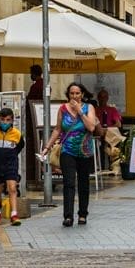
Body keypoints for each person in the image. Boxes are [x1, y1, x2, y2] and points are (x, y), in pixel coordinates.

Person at [43, 81, 99, 226]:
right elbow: (58, 129)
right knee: (68, 183)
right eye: (72, 93)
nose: (74, 96)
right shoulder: (63, 109)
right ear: (68, 95)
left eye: (77, 93)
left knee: (83, 183)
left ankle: (82, 214)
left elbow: (91, 127)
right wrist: (47, 147)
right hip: (67, 150)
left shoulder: (88, 108)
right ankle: (68, 216)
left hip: (85, 151)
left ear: (82, 94)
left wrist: (80, 111)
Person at [0, 107, 24, 226]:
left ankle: (14, 214)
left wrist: (12, 154)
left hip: (11, 163)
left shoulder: (17, 134)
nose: (5, 122)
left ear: (12, 121)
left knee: (12, 188)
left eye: (8, 120)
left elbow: (20, 145)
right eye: (2, 119)